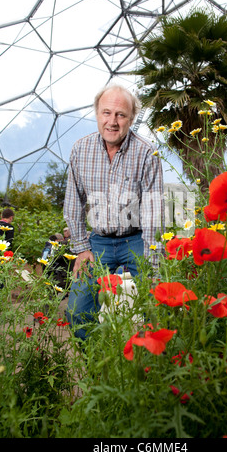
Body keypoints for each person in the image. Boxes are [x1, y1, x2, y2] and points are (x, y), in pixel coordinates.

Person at [63, 83, 165, 341]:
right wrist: (81, 248)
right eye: (106, 113)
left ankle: (149, 368)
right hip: (97, 242)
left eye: (120, 115)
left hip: (138, 239)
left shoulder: (146, 152)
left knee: (157, 307)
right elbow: (73, 201)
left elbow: (154, 211)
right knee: (76, 310)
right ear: (97, 113)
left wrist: (153, 267)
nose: (112, 121)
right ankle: (97, 364)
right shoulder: (80, 149)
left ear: (131, 118)